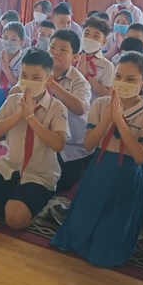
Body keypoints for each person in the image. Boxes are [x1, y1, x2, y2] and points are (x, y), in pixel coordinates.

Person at [52, 52, 143, 267]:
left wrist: (120, 122)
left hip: (126, 177)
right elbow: (89, 144)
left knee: (103, 252)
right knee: (76, 237)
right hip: (99, 170)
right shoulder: (101, 104)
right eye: (119, 77)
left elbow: (141, 156)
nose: (122, 83)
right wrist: (108, 118)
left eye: (130, 79)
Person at [0, 48, 69, 230]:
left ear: (48, 79)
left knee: (14, 220)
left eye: (36, 77)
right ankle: (5, 201)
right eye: (24, 76)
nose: (29, 81)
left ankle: (36, 206)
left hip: (38, 175)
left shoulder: (56, 107)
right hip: (9, 167)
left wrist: (31, 117)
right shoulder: (13, 101)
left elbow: (58, 144)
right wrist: (20, 114)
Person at [43, 29, 93, 193]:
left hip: (72, 146)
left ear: (75, 57)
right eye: (52, 48)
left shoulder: (80, 81)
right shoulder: (41, 72)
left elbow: (80, 108)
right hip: (45, 137)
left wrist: (52, 84)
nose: (55, 53)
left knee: (53, 184)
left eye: (63, 50)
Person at [0, 21, 27, 133]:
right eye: (6, 38)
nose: (8, 42)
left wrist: (7, 70)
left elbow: (19, 86)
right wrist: (0, 68)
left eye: (13, 39)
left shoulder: (24, 61)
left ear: (21, 42)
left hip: (15, 99)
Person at [78, 16, 115, 98]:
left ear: (104, 41)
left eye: (96, 36)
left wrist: (86, 76)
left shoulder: (107, 65)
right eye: (86, 34)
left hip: (94, 104)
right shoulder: (73, 57)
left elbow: (108, 94)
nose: (90, 39)